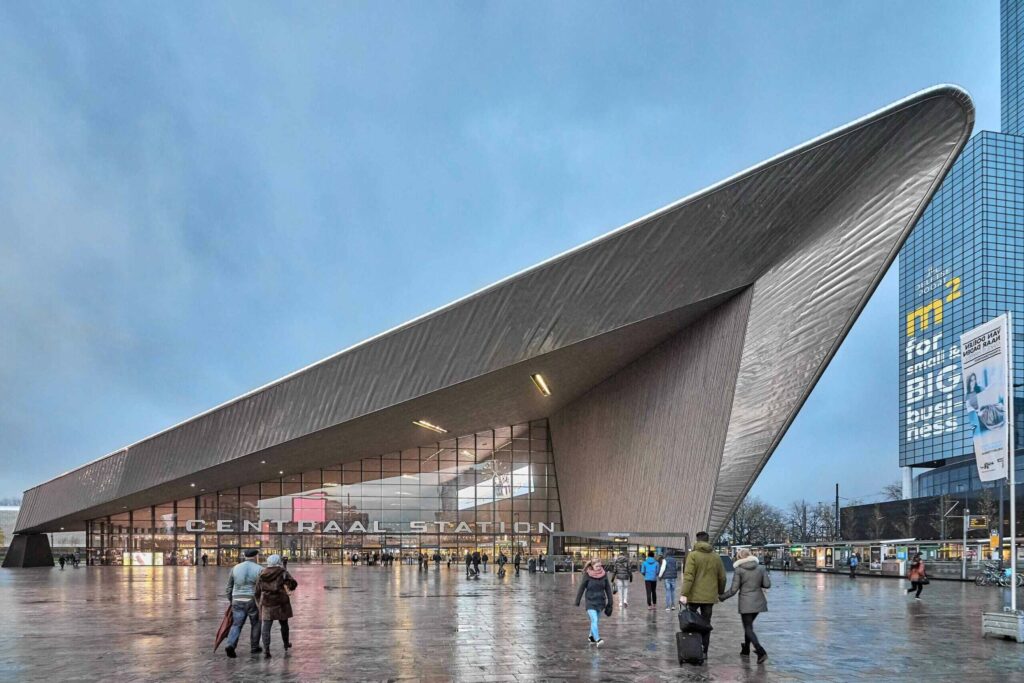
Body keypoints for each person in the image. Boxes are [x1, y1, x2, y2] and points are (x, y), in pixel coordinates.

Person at [679, 531, 727, 659]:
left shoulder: (693, 555)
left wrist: (684, 594)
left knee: (691, 622)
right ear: (707, 541)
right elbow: (722, 577)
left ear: (697, 540)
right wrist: (720, 592)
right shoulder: (716, 557)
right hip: (709, 597)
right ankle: (705, 651)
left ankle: (693, 649)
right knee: (706, 624)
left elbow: (689, 576)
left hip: (693, 596)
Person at [718, 547, 770, 664]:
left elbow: (734, 590)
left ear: (740, 557)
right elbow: (767, 584)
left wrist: (722, 597)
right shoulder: (761, 568)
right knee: (749, 626)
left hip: (746, 602)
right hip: (759, 601)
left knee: (748, 627)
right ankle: (746, 649)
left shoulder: (739, 570)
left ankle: (760, 651)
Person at [255, 554, 298, 659]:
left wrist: (258, 602)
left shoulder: (262, 573)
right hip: (281, 602)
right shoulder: (282, 572)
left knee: (266, 627)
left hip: (267, 602)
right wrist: (288, 586)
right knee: (284, 624)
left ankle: (266, 650)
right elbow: (293, 584)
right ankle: (286, 643)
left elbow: (257, 590)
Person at [224, 548, 263, 658]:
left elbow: (229, 587)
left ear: (244, 556)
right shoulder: (260, 569)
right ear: (256, 556)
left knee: (236, 624)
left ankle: (230, 644)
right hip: (252, 599)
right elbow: (262, 587)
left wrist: (231, 600)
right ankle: (254, 647)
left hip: (237, 599)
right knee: (256, 623)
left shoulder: (235, 568)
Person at [574, 558, 613, 647]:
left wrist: (610, 602)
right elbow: (582, 587)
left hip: (600, 602)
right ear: (592, 566)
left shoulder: (604, 575)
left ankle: (591, 636)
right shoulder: (587, 575)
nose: (599, 568)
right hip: (590, 601)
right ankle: (598, 639)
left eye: (600, 566)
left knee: (595, 621)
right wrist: (577, 600)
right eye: (597, 566)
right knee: (594, 620)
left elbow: (608, 589)